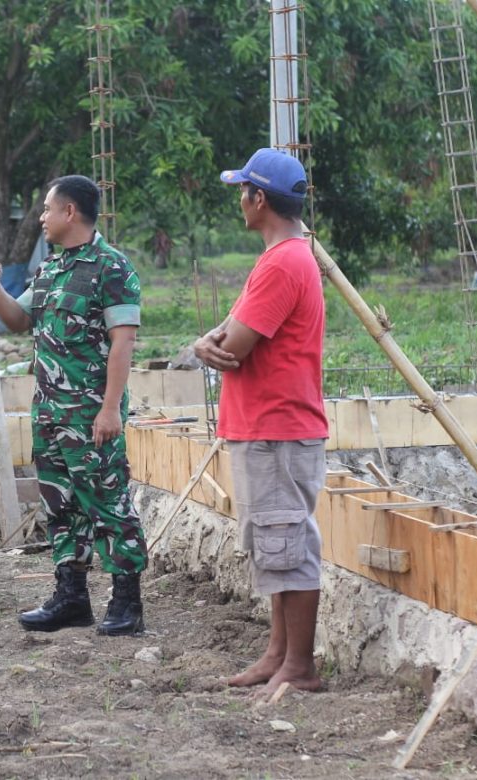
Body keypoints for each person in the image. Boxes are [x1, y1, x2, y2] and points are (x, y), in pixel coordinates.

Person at [0, 174, 147, 636]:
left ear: (70, 212)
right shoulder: (50, 270)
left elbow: (123, 344)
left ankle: (127, 602)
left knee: (108, 504)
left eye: (47, 209)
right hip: (49, 415)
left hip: (90, 416)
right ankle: (71, 597)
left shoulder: (112, 268)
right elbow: (17, 318)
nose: (42, 218)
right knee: (61, 507)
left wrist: (110, 410)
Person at [192, 148, 328, 696]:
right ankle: (279, 654)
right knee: (277, 542)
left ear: (260, 198)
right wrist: (207, 342)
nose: (239, 202)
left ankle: (300, 665)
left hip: (277, 427)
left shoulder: (282, 263)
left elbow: (235, 345)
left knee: (286, 541)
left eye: (242, 192)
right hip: (269, 425)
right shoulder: (283, 257)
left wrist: (210, 344)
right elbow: (223, 335)